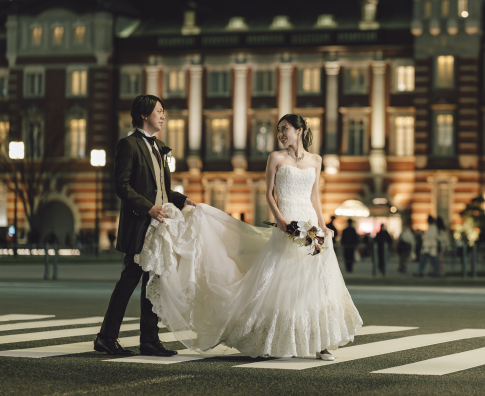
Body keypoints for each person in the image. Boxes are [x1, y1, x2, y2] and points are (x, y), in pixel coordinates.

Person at [136, 113, 362, 360]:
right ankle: (269, 339)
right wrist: (281, 220)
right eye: (278, 130)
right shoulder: (275, 157)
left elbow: (314, 197)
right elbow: (268, 194)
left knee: (314, 283)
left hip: (308, 223)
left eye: (284, 129)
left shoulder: (316, 160)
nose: (280, 134)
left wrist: (323, 224)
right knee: (276, 280)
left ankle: (321, 342)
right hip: (286, 221)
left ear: (299, 130)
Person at [95, 95, 196, 357]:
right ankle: (106, 337)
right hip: (141, 223)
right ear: (144, 115)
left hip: (160, 226)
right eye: (159, 111)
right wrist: (147, 207)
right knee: (129, 279)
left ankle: (149, 340)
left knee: (155, 283)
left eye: (163, 111)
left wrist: (182, 199)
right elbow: (122, 185)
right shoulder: (128, 144)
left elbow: (160, 189)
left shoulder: (160, 146)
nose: (163, 116)